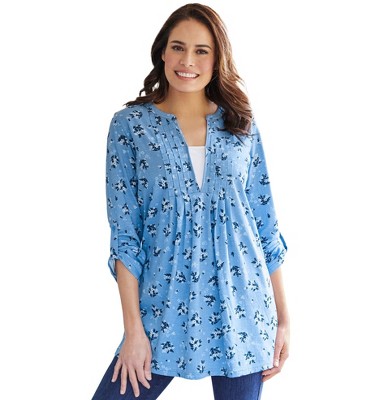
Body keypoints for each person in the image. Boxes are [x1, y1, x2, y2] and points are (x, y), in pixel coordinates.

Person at [92, 3, 289, 400]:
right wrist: (133, 331)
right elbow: (125, 237)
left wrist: (283, 320)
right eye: (178, 47)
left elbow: (264, 226)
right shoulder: (130, 127)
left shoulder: (241, 125)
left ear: (217, 60)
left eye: (201, 51)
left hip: (243, 313)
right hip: (161, 310)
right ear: (162, 52)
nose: (187, 61)